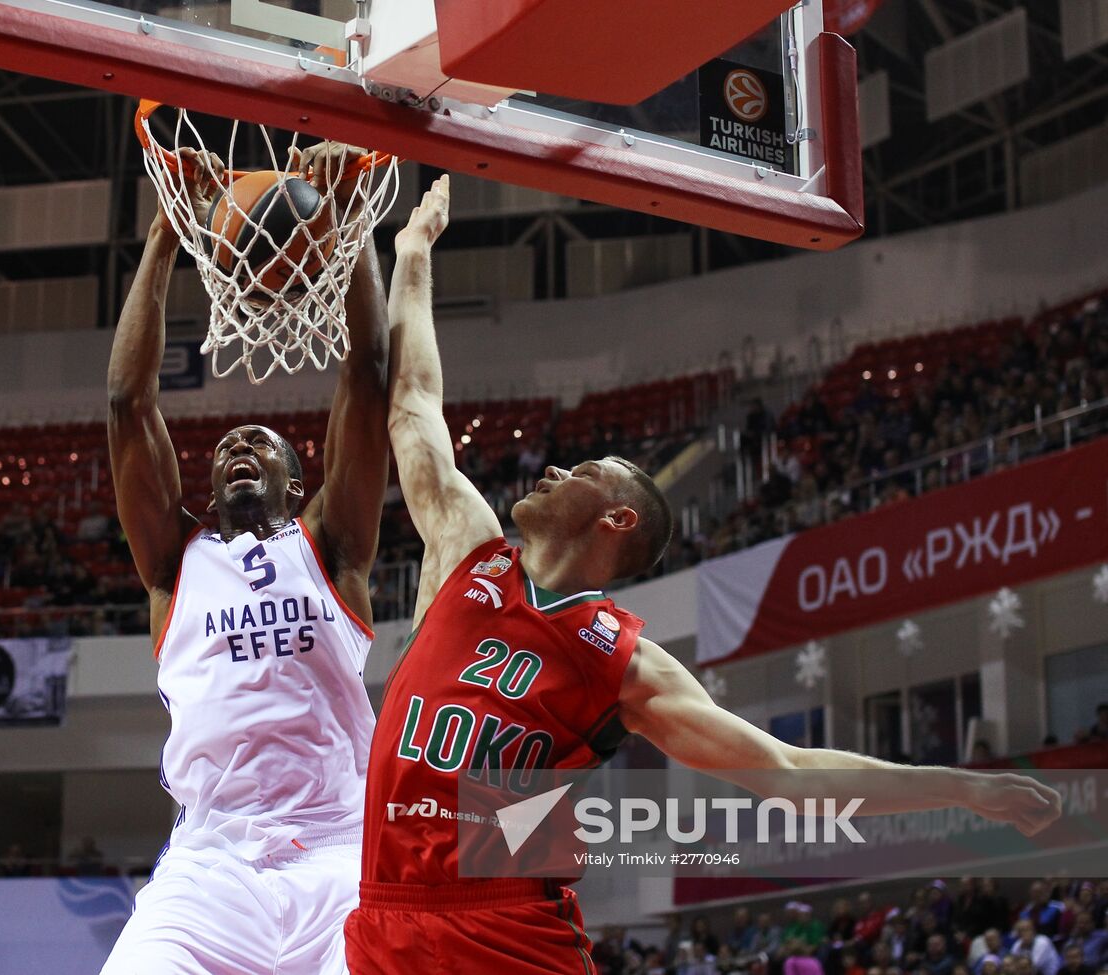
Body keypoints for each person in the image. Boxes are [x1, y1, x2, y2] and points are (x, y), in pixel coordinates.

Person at [343, 174, 1064, 974]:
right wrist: (412, 252)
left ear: (618, 519)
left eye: (583, 467)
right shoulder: (466, 550)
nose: (550, 466)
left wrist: (962, 789)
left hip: (504, 922)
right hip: (383, 911)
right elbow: (412, 403)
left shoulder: (623, 659)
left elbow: (787, 773)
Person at [99, 142, 392, 975]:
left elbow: (368, 377)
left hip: (340, 854)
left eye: (258, 443)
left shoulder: (330, 548)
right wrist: (165, 235)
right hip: (211, 864)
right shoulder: (172, 564)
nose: (236, 447)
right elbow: (128, 402)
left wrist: (349, 221)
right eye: (226, 443)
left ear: (299, 482)